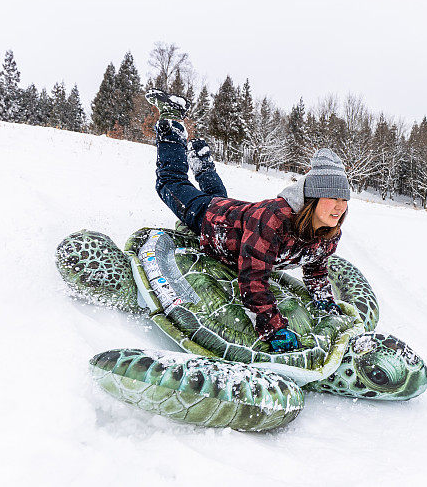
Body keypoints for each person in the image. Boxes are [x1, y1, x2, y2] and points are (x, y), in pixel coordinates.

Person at [146, 89, 350, 353]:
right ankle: (172, 117)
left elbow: (315, 268)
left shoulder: (328, 232)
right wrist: (274, 328)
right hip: (210, 220)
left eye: (344, 199)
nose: (339, 206)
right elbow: (253, 280)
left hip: (234, 216)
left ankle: (203, 160)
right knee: (171, 183)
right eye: (332, 197)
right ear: (311, 197)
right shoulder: (276, 220)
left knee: (218, 197)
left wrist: (324, 300)